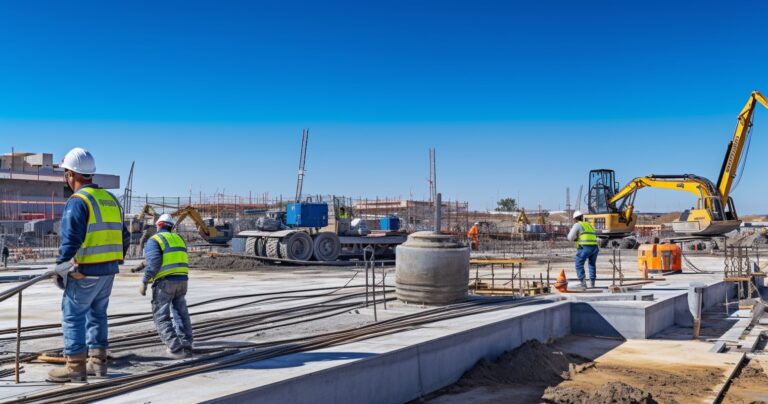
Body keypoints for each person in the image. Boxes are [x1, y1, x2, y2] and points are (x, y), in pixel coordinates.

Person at [48, 147, 130, 383]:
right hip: (108, 271)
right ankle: (98, 364)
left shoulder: (78, 201)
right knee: (98, 315)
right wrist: (114, 260)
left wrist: (61, 268)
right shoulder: (110, 199)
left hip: (85, 271)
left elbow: (70, 240)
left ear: (72, 174)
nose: (66, 177)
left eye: (66, 173)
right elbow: (125, 236)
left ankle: (74, 367)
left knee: (73, 316)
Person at [141, 213, 194, 359]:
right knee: (181, 314)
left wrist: (145, 280)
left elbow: (154, 263)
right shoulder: (178, 239)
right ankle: (186, 344)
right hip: (182, 281)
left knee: (161, 316)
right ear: (171, 226)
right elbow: (169, 257)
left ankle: (175, 348)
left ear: (158, 225)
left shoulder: (155, 240)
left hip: (165, 283)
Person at [567, 211, 599, 289]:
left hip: (585, 248)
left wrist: (576, 238)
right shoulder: (589, 225)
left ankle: (583, 283)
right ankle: (592, 283)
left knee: (579, 264)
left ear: (575, 219)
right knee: (592, 264)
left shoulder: (578, 225)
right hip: (595, 247)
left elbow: (570, 237)